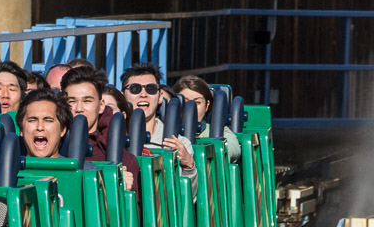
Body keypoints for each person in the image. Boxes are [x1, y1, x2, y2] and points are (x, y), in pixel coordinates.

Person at [61, 66, 138, 192]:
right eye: (71, 101)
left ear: (101, 105)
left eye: (87, 101)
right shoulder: (51, 148)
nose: (79, 108)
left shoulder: (124, 161)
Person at [123, 62, 197, 191]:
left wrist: (189, 165)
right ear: (122, 95)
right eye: (135, 88)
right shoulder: (111, 138)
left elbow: (189, 198)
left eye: (151, 89)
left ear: (159, 96)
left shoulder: (179, 143)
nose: (143, 94)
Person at [173, 75, 241, 161]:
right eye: (185, 102)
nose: (191, 108)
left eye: (197, 102)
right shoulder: (167, 130)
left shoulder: (219, 131)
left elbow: (234, 149)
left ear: (207, 105)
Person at [17, 89, 71, 158]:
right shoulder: (7, 168)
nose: (40, 127)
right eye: (32, 120)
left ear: (63, 130)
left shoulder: (84, 168)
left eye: (48, 120)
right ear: (21, 129)